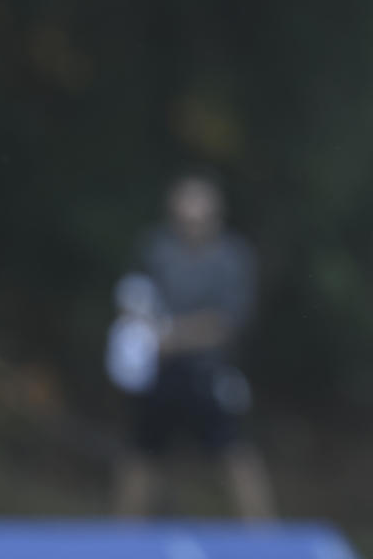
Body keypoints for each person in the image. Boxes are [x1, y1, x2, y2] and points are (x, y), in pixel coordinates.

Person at [105, 174, 276, 519]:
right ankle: (122, 542)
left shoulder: (232, 257)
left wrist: (171, 337)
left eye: (200, 217)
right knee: (141, 454)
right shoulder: (155, 247)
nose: (192, 225)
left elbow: (227, 323)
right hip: (159, 373)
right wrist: (134, 328)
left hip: (208, 372)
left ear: (216, 215)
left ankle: (266, 543)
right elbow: (134, 293)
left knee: (234, 455)